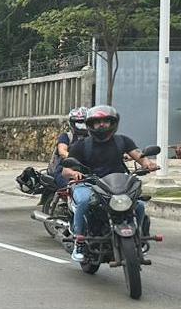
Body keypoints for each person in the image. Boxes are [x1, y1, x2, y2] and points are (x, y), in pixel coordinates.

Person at [63, 105, 157, 262]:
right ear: (91, 125)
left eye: (106, 121)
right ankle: (79, 242)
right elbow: (65, 170)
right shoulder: (81, 145)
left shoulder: (122, 141)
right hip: (89, 183)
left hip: (118, 184)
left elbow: (138, 155)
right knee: (85, 202)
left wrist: (147, 163)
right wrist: (75, 173)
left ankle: (139, 237)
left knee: (139, 205)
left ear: (113, 123)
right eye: (97, 122)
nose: (102, 125)